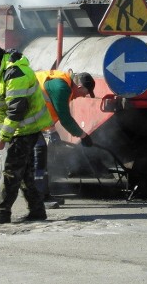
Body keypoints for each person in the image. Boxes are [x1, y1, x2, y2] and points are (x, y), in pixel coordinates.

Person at [0, 42, 53, 225]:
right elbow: (0, 103)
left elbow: (15, 111)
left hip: (26, 128)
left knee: (11, 171)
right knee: (25, 174)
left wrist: (3, 138)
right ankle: (37, 211)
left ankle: (2, 213)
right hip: (18, 128)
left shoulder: (15, 73)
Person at [34, 70, 95, 207]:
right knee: (39, 160)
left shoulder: (61, 84)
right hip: (28, 123)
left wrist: (51, 131)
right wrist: (83, 136)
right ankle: (39, 199)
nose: (83, 96)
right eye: (85, 92)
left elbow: (48, 109)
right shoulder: (61, 88)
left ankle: (44, 196)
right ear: (79, 87)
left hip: (34, 122)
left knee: (43, 158)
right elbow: (65, 119)